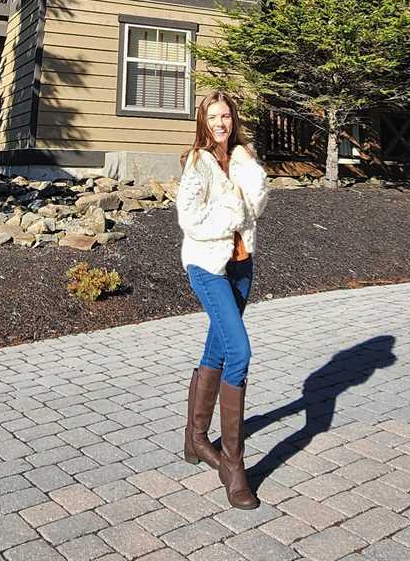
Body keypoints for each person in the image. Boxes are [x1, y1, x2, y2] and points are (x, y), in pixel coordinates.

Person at [176, 91, 269, 510]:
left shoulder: (243, 159)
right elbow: (190, 219)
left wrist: (250, 183)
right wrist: (232, 211)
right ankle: (233, 465)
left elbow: (257, 206)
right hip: (207, 267)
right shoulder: (197, 162)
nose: (220, 123)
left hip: (241, 266)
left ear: (234, 120)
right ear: (203, 120)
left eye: (226, 116)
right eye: (213, 117)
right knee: (240, 351)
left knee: (217, 348)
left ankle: (196, 440)